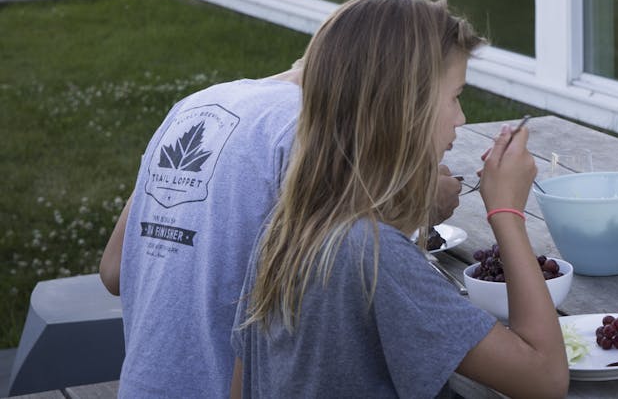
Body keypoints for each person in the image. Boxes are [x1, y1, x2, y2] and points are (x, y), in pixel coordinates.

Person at [232, 0, 568, 399]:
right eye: (455, 97)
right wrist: (506, 212)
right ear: (405, 111)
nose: (461, 118)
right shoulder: (374, 256)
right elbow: (544, 378)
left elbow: (242, 382)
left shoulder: (284, 229)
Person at [99, 50, 461, 398]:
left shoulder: (195, 105)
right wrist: (419, 203)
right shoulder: (315, 130)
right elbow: (350, 262)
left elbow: (114, 270)